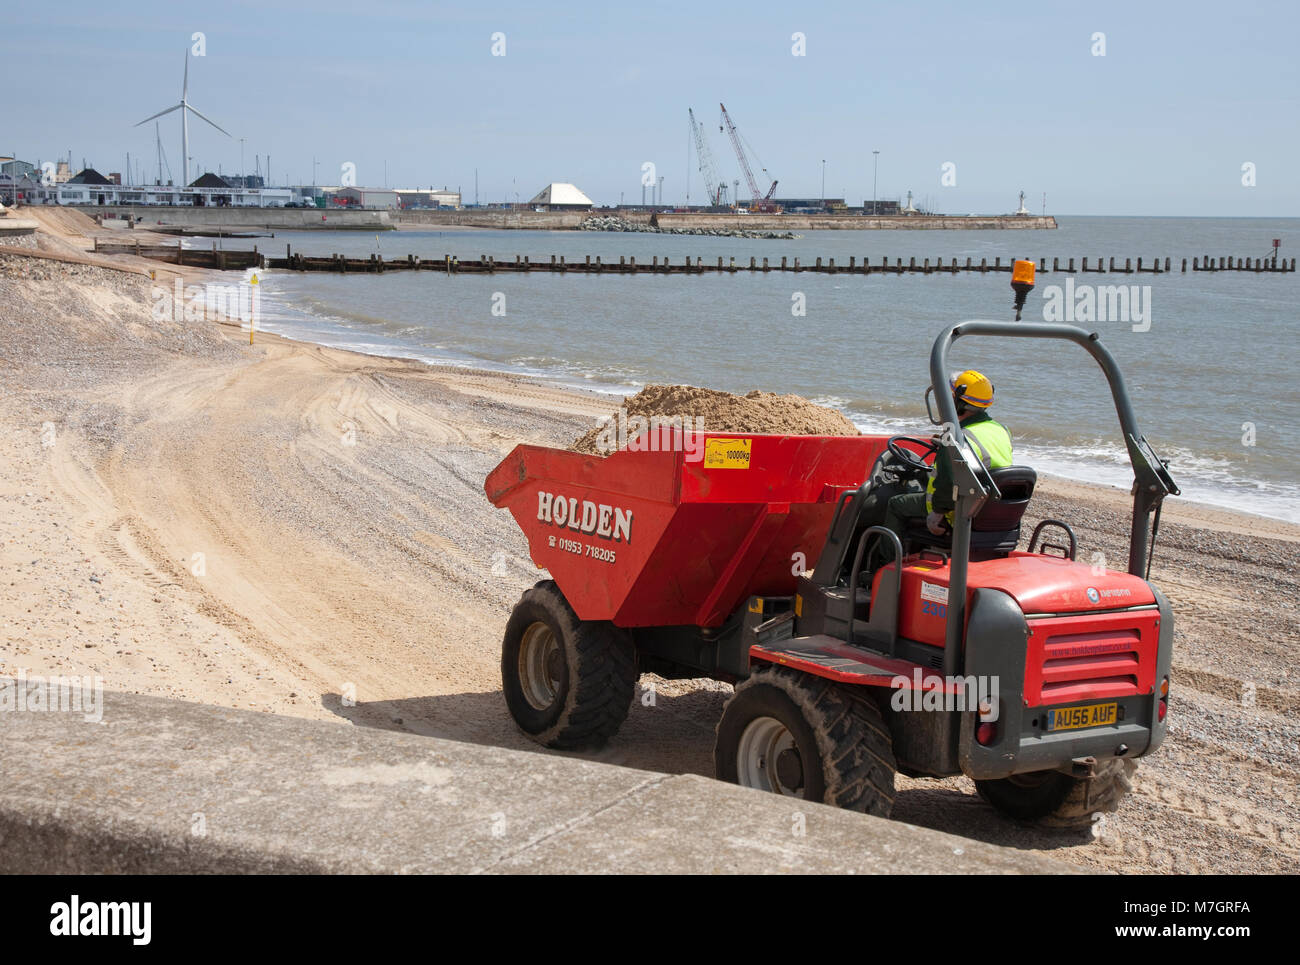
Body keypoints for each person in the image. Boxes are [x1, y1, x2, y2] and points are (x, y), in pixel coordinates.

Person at [875, 370, 1013, 566]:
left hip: (956, 512)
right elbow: (984, 463)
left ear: (957, 402)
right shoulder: (1001, 430)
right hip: (989, 512)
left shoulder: (957, 438)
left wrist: (937, 513)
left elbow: (948, 483)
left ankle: (885, 567)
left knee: (896, 504)